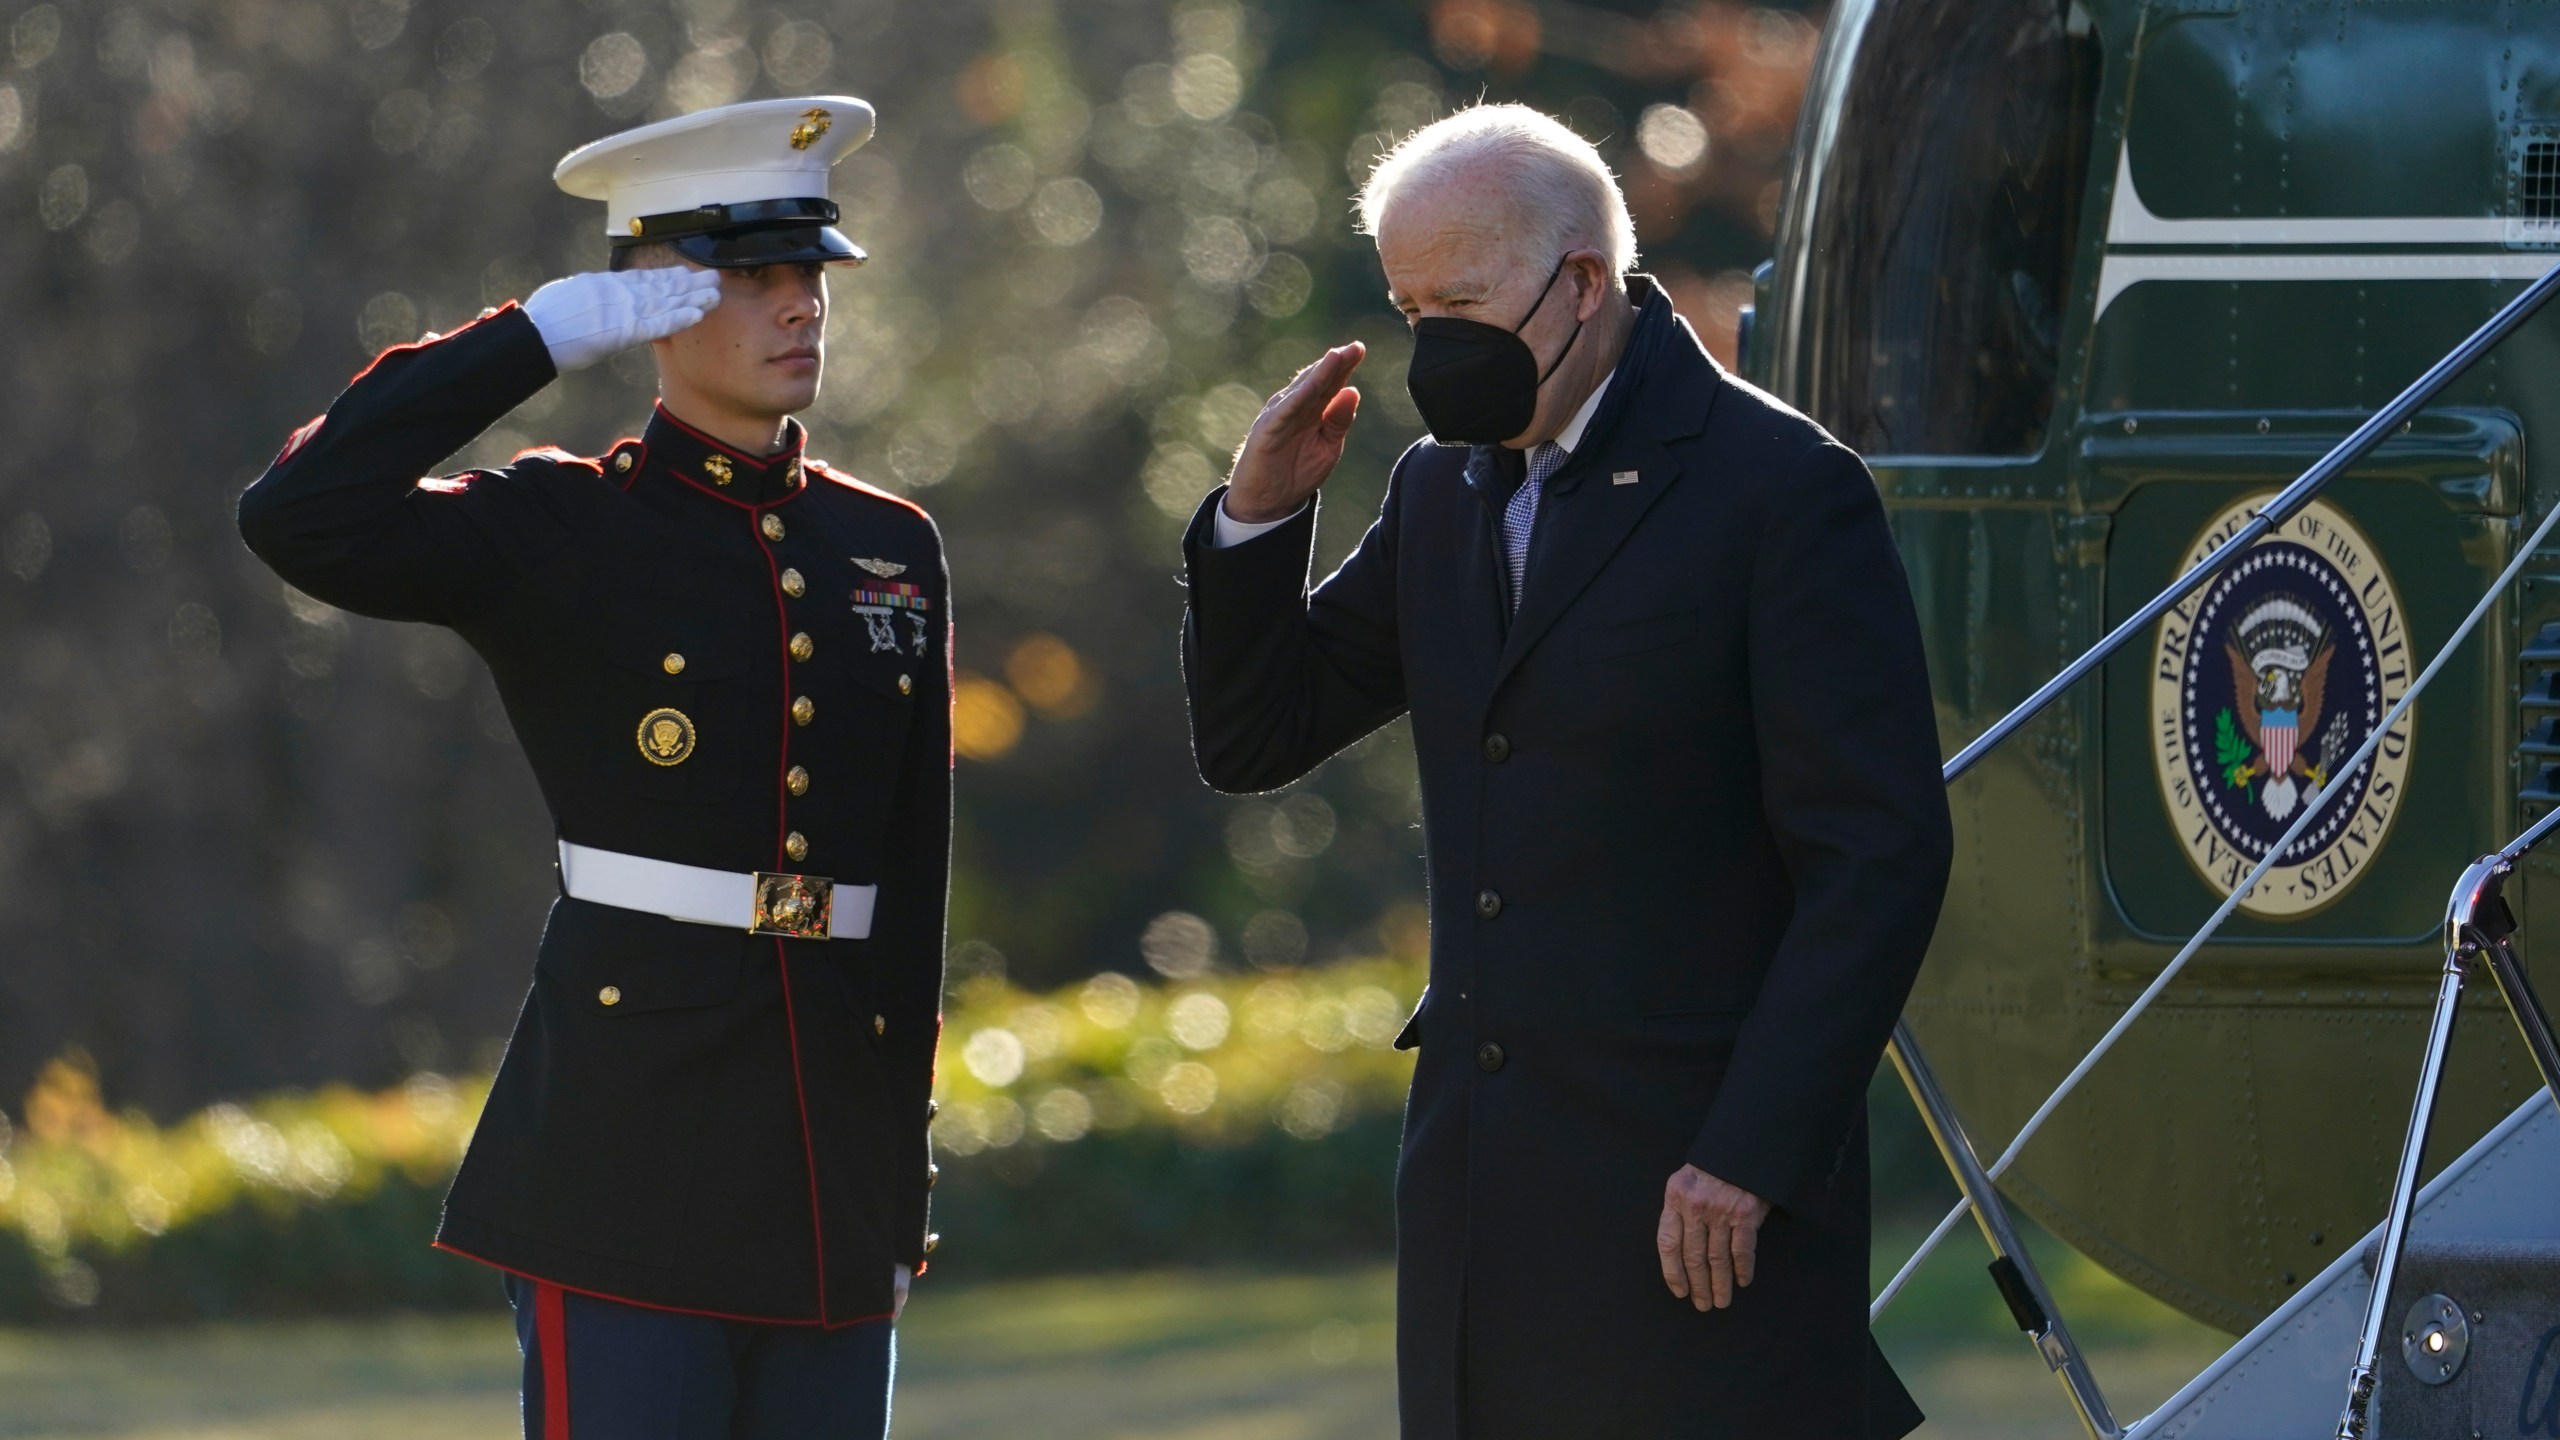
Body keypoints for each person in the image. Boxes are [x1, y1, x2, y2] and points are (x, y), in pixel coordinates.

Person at [1178, 104, 1953, 1437]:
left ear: (1583, 280)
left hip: (1700, 1198)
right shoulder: (1440, 488)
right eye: (1412, 311)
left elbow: (1877, 860)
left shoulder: (1778, 489)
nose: (1439, 348)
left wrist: (1747, 1157)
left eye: (1465, 304)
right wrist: (1260, 517)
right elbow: (1258, 735)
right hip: (1484, 1195)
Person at [237, 97, 948, 1439]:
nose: (802, 307)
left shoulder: (885, 542)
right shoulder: (566, 522)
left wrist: (894, 1183)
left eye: (811, 276)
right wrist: (538, 336)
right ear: (658, 302)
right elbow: (297, 514)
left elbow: (910, 875)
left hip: (826, 1170)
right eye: (753, 279)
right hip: (625, 1149)